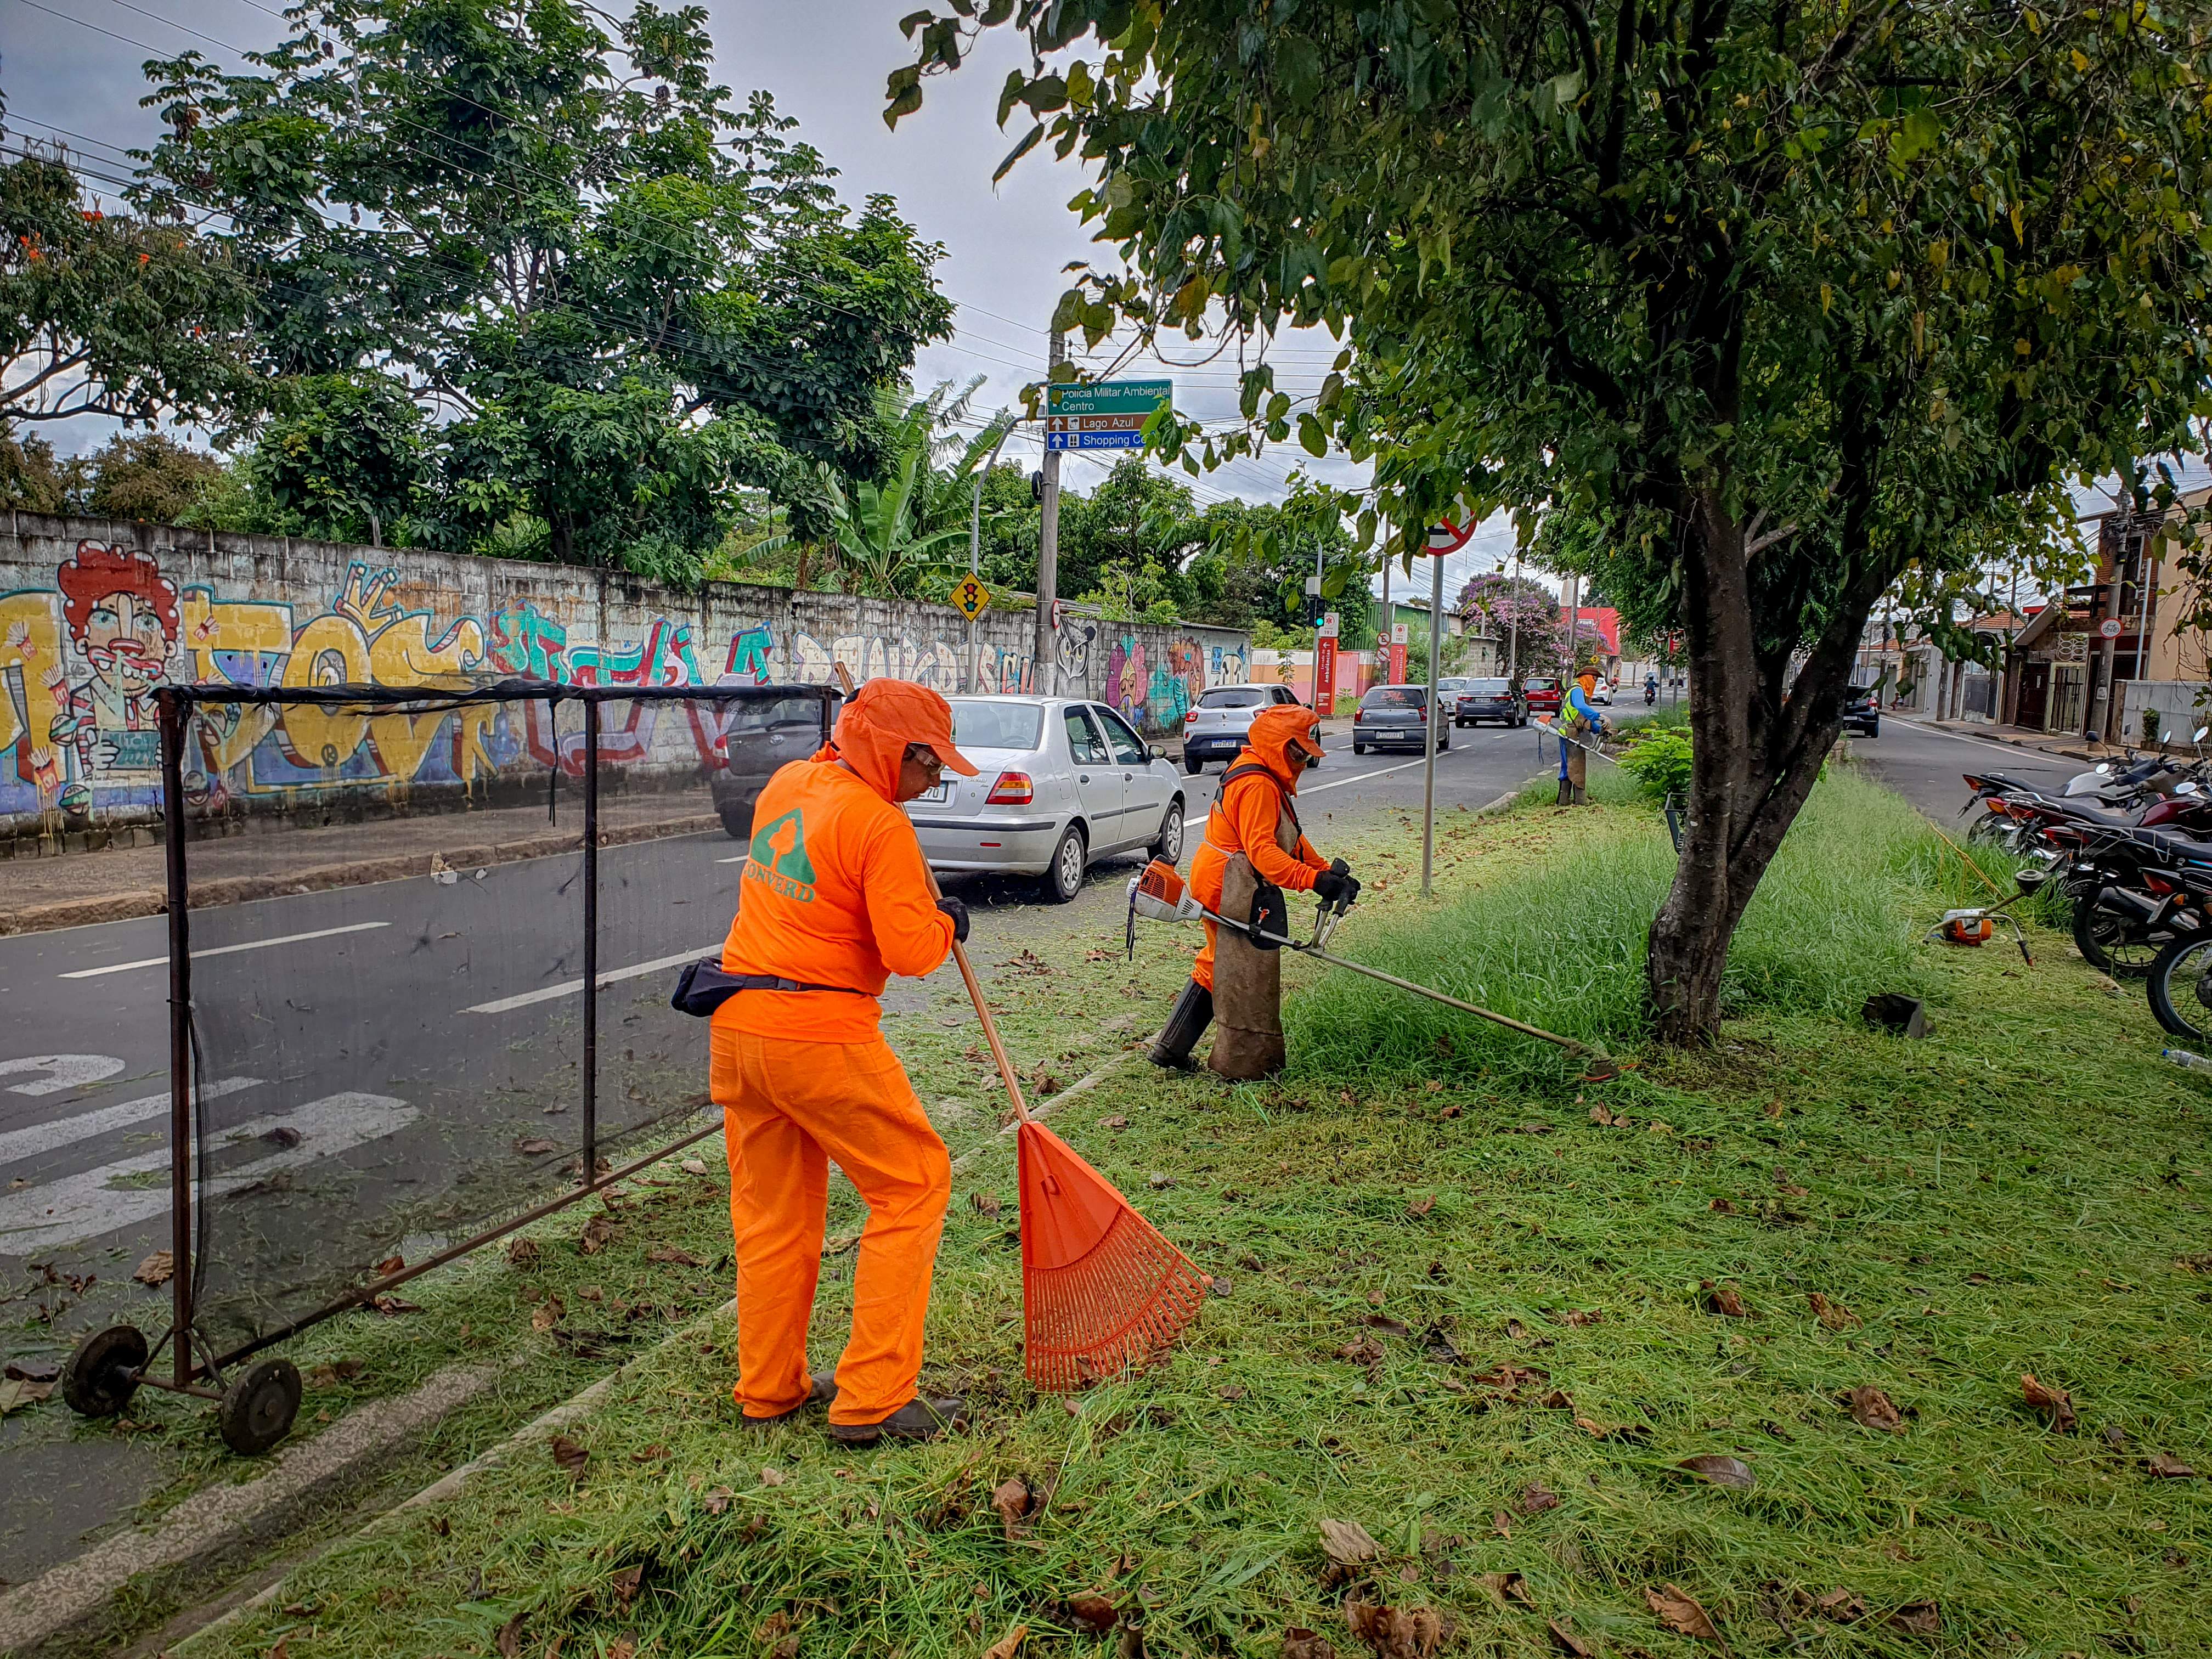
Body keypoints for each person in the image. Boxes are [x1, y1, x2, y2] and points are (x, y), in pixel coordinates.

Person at [710, 679, 978, 1445]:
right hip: (816, 1033)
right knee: (914, 1183)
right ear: (895, 753)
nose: (934, 784)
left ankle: (769, 1387)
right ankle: (874, 1397)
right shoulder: (879, 823)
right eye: (930, 769)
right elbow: (909, 951)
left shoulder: (789, 783)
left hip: (739, 1025)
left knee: (773, 1219)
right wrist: (946, 923)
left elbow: (816, 894)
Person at [1149, 701, 1358, 1077]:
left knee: (1217, 961)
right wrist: (1313, 881)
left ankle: (1170, 1049)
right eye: (1296, 751)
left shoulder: (1265, 775)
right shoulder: (1257, 784)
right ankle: (1215, 1054)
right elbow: (1264, 854)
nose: (1300, 760)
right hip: (1225, 882)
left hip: (1229, 877)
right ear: (1278, 744)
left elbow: (1291, 839)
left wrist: (1327, 872)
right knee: (1227, 965)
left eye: (1305, 752)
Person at [1557, 669, 1607, 805]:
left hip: (1575, 733)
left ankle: (1567, 800)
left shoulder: (1580, 692)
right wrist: (1599, 716)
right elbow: (1581, 707)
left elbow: (1583, 720)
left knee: (1573, 765)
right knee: (1571, 766)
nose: (1594, 683)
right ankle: (1572, 801)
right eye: (1594, 679)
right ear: (1585, 678)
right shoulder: (1577, 690)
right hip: (1569, 734)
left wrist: (1599, 729)